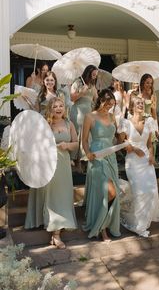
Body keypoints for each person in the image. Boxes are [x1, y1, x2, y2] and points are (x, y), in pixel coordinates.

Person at [25, 97, 78, 248]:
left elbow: (76, 144)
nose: (59, 108)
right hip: (48, 164)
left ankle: (56, 234)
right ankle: (55, 234)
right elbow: (35, 143)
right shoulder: (46, 124)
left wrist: (67, 145)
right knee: (51, 197)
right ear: (51, 109)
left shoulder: (69, 124)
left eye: (61, 105)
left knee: (62, 197)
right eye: (55, 106)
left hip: (63, 165)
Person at [118, 96, 159, 237]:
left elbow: (149, 143)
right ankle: (137, 225)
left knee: (150, 191)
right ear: (132, 106)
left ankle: (143, 224)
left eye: (142, 103)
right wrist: (132, 148)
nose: (141, 105)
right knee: (139, 192)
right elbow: (120, 142)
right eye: (138, 103)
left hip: (146, 162)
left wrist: (152, 155)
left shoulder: (149, 121)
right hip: (133, 162)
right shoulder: (125, 123)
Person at [82, 89, 121, 242]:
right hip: (97, 157)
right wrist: (88, 153)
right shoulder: (89, 116)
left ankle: (106, 225)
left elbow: (117, 138)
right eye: (107, 105)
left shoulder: (112, 117)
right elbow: (84, 140)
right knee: (108, 192)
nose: (109, 108)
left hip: (111, 157)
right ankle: (102, 228)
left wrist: (124, 136)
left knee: (112, 193)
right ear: (101, 101)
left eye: (112, 105)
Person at [70, 65, 98, 162]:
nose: (95, 76)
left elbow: (95, 99)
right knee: (78, 134)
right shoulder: (77, 82)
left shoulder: (92, 85)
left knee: (86, 135)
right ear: (89, 72)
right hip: (77, 112)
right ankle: (77, 162)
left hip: (88, 113)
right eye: (94, 74)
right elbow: (72, 98)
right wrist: (81, 92)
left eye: (96, 74)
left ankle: (84, 159)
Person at [131, 73, 159, 157]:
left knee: (151, 145)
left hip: (149, 122)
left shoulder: (152, 95)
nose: (149, 85)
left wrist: (156, 127)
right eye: (147, 83)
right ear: (142, 82)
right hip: (138, 122)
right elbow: (131, 110)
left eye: (151, 83)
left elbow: (154, 112)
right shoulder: (134, 94)